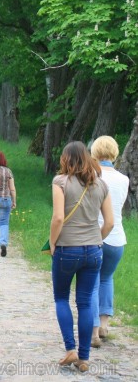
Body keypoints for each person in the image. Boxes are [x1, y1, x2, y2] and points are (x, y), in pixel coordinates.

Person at [49, 141, 114, 372]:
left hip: (67, 249)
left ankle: (70, 348)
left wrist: (53, 243)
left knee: (61, 298)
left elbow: (58, 218)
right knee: (86, 302)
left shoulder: (60, 182)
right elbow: (110, 223)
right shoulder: (101, 184)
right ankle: (84, 358)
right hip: (94, 250)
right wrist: (97, 239)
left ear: (66, 159)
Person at [90, 136, 129, 348]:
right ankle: (104, 324)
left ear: (94, 153)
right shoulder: (124, 179)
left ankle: (93, 330)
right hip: (116, 238)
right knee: (106, 278)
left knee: (91, 281)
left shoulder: (92, 176)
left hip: (94, 235)